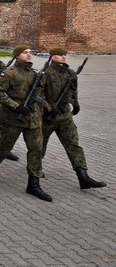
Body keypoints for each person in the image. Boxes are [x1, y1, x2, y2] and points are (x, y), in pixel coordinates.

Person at [0, 45, 52, 202]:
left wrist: (47, 109)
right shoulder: (10, 73)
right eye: (25, 53)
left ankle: (34, 184)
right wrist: (16, 106)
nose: (29, 55)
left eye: (30, 52)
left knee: (36, 149)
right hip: (14, 118)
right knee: (6, 145)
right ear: (17, 56)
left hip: (32, 118)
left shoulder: (34, 74)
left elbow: (40, 95)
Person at [41, 47, 106, 190]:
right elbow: (40, 96)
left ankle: (83, 177)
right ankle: (35, 168)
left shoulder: (70, 73)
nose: (64, 57)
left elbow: (73, 91)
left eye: (64, 55)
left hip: (65, 116)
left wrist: (76, 104)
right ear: (52, 57)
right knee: (40, 145)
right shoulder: (45, 74)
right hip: (48, 118)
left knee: (74, 145)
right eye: (60, 55)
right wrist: (49, 109)